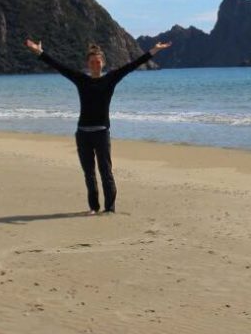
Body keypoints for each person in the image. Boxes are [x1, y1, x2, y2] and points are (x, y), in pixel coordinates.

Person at [25, 38, 170, 214]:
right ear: (88, 64)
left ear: (103, 63)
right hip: (83, 134)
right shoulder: (81, 79)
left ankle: (109, 207)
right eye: (92, 62)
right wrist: (39, 52)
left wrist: (154, 50)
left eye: (98, 62)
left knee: (105, 171)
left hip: (101, 133)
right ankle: (94, 207)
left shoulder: (111, 78)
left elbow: (133, 65)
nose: (95, 65)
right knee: (89, 173)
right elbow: (59, 66)